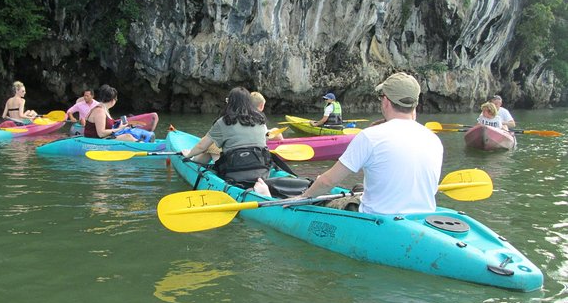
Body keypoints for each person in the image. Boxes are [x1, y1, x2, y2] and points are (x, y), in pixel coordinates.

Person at [295, 72, 444, 215]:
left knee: (321, 203)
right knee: (359, 188)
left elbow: (327, 182)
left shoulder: (370, 136)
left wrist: (303, 197)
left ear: (385, 101)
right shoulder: (434, 139)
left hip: (377, 217)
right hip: (423, 216)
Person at [181, 87, 272, 196]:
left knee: (212, 148)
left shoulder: (223, 121)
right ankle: (262, 189)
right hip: (262, 172)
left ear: (230, 103)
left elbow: (202, 146)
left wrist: (188, 154)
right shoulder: (261, 120)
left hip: (234, 173)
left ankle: (195, 161)